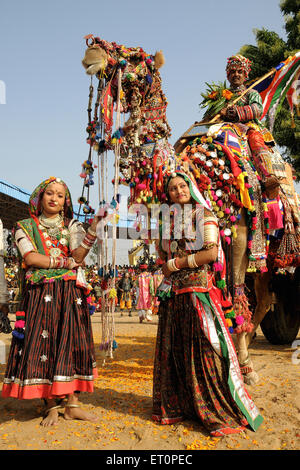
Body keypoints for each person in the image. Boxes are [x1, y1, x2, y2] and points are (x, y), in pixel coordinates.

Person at [152, 170, 263, 436]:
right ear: (168, 195)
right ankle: (181, 406)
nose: (178, 191)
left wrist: (176, 264)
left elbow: (211, 253)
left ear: (190, 187)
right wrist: (166, 261)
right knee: (175, 350)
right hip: (173, 294)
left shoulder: (203, 214)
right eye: (173, 189)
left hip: (196, 291)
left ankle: (214, 406)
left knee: (203, 350)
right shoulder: (168, 221)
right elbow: (161, 252)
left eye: (182, 186)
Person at [2, 176, 100, 426]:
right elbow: (31, 258)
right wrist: (64, 262)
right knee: (43, 343)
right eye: (50, 193)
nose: (54, 198)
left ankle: (73, 405)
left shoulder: (73, 225)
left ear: (65, 201)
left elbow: (78, 256)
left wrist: (92, 230)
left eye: (60, 195)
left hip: (70, 294)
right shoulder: (24, 226)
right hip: (40, 294)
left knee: (72, 342)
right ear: (39, 197)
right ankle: (51, 405)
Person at [218, 54, 279, 194]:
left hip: (247, 127)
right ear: (228, 76)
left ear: (245, 75)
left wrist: (237, 112)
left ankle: (267, 176)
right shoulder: (221, 97)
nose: (236, 75)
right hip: (224, 127)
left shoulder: (251, 93)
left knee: (254, 137)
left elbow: (258, 109)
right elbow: (213, 114)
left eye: (240, 71)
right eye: (232, 72)